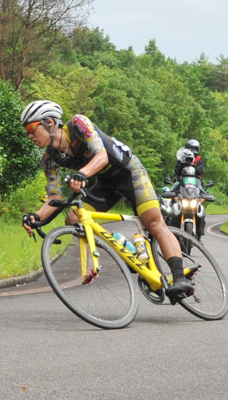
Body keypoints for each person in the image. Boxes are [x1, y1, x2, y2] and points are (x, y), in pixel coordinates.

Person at [20, 100, 194, 301]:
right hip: (106, 183)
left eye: (32, 129)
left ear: (50, 123)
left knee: (153, 222)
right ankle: (126, 250)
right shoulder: (48, 159)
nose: (29, 135)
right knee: (74, 219)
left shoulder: (78, 124)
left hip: (129, 172)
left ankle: (180, 278)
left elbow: (101, 156)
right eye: (27, 131)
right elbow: (54, 197)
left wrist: (81, 174)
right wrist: (35, 217)